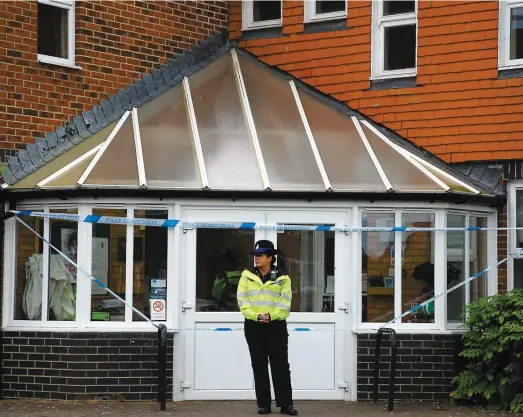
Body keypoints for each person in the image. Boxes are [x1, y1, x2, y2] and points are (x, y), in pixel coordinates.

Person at [237, 240, 298, 416]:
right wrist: (256, 316)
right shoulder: (246, 276)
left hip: (276, 325)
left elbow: (285, 304)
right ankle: (263, 404)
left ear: (270, 258)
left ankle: (286, 405)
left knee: (280, 365)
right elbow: (243, 302)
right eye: (255, 255)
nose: (256, 258)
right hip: (253, 325)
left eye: (260, 255)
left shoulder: (283, 277)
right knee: (259, 364)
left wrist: (271, 316)